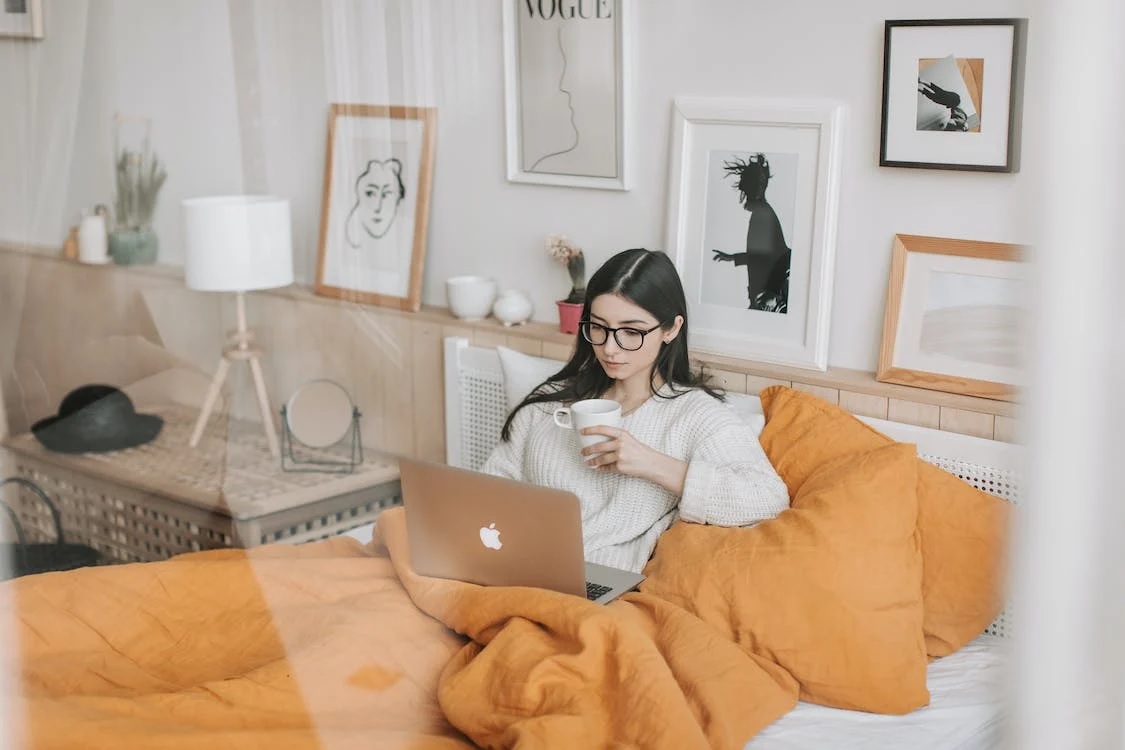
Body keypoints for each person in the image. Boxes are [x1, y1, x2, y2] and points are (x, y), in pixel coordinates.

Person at [480, 248, 790, 574]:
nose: (610, 348)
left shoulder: (695, 417)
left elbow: (768, 499)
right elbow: (488, 490)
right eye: (598, 327)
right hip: (516, 565)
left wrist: (652, 464)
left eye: (631, 332)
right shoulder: (549, 403)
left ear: (670, 329)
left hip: (597, 587)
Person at [710, 153, 791, 312]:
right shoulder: (763, 213)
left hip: (769, 298)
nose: (741, 188)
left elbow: (768, 257)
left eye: (744, 185)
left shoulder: (762, 215)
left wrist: (770, 294)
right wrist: (732, 257)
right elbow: (761, 256)